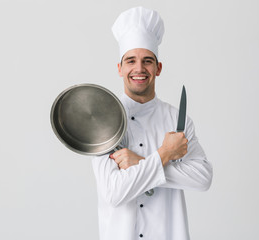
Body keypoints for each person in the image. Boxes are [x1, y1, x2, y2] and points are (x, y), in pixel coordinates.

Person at [92, 6, 213, 240]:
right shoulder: (104, 119)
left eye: (147, 61)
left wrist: (141, 162)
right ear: (120, 68)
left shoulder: (177, 119)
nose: (139, 69)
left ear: (158, 68)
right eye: (130, 61)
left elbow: (203, 178)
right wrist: (165, 154)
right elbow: (115, 191)